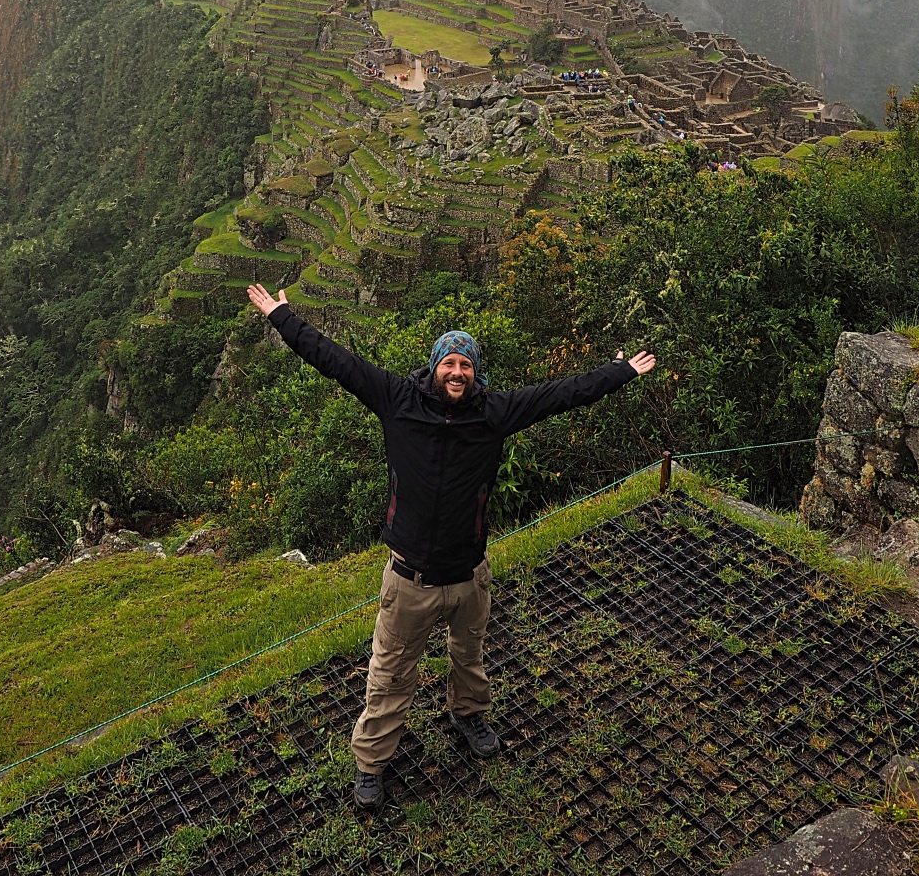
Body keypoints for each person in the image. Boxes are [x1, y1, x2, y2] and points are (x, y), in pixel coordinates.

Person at [245, 283, 656, 810]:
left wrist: (619, 371)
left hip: (468, 574)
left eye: (466, 365)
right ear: (435, 367)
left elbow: (561, 394)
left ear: (475, 373)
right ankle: (371, 764)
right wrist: (284, 318)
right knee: (390, 673)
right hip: (409, 578)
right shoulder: (395, 400)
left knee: (469, 657)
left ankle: (468, 714)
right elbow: (335, 361)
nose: (457, 373)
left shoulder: (494, 414)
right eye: (449, 363)